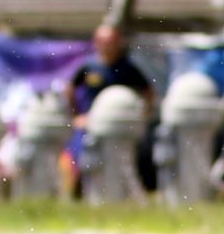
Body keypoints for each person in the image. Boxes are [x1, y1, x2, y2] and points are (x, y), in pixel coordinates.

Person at [67, 24, 157, 196]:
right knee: (82, 159)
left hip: (117, 126)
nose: (109, 45)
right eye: (104, 41)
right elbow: (70, 89)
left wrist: (144, 115)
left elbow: (149, 91)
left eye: (112, 41)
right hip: (91, 125)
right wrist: (76, 115)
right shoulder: (89, 66)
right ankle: (78, 195)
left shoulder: (127, 67)